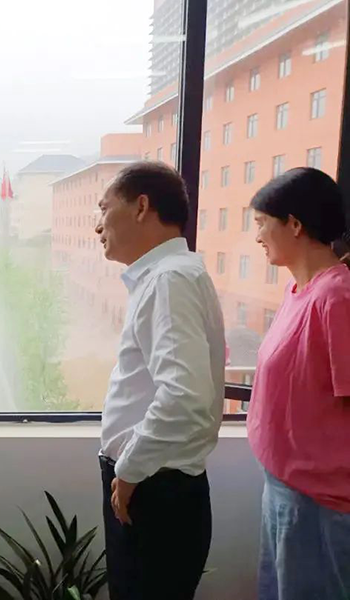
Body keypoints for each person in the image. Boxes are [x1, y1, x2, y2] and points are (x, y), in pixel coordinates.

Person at [95, 162, 225, 600]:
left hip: (154, 487)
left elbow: (184, 396)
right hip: (153, 480)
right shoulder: (171, 274)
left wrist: (129, 470)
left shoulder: (170, 280)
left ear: (141, 207)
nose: (98, 225)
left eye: (104, 208)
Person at [246, 168, 350, 600]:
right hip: (285, 488)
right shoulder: (297, 292)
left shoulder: (337, 298)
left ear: (294, 224)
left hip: (320, 501)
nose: (257, 236)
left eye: (261, 223)